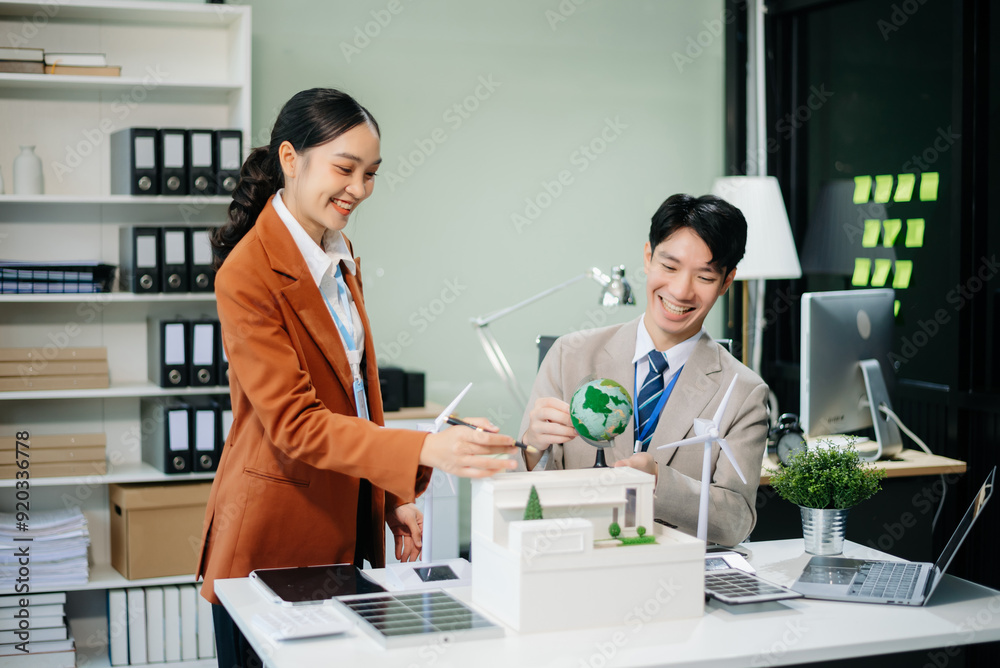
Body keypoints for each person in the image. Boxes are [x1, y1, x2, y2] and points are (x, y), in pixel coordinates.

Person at [197, 88, 516, 667]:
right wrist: (427, 449)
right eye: (345, 169)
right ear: (290, 160)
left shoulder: (338, 254)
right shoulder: (247, 274)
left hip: (345, 530)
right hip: (275, 540)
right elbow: (296, 425)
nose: (360, 190)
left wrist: (392, 495)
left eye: (370, 174)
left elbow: (358, 395)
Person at [518, 193, 768, 547]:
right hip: (574, 561)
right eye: (669, 267)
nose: (681, 291)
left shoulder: (744, 392)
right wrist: (530, 449)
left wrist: (659, 483)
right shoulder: (569, 356)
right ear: (648, 257)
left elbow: (735, 521)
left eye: (705, 277)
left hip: (674, 577)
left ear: (727, 282)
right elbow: (518, 495)